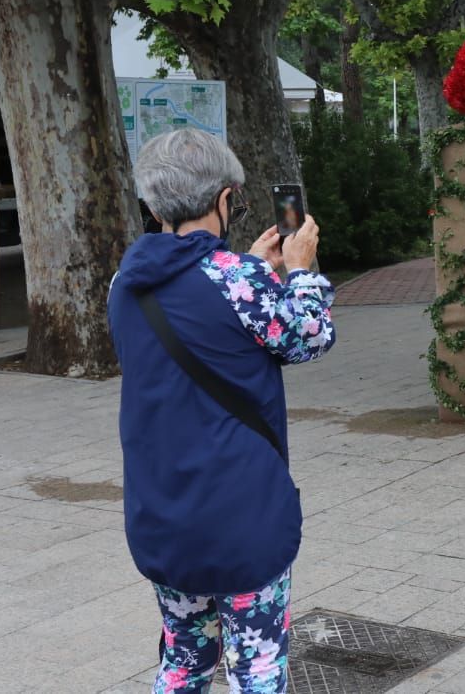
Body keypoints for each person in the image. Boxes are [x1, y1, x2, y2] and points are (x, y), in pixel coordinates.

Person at [108, 129, 335, 694]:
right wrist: (300, 268)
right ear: (226, 198)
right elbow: (308, 336)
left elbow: (200, 307)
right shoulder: (242, 281)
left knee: (184, 660)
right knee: (256, 665)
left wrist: (249, 266)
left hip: (162, 511)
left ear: (154, 204)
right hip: (241, 512)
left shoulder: (124, 283)